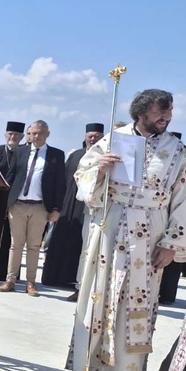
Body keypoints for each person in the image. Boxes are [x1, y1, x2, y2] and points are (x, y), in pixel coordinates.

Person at [67, 90, 186, 371]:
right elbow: (82, 175)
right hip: (111, 225)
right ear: (140, 113)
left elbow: (184, 199)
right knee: (100, 290)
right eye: (161, 112)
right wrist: (100, 170)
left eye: (169, 112)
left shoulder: (177, 150)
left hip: (151, 233)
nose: (166, 117)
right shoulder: (114, 138)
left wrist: (172, 244)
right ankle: (89, 364)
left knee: (138, 298)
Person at [0, 119, 65, 296]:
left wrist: (56, 209)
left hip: (40, 207)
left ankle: (30, 282)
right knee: (15, 244)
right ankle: (11, 280)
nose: (36, 136)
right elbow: (10, 177)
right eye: (33, 133)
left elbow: (60, 184)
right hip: (18, 205)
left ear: (47, 134)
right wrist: (6, 203)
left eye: (40, 133)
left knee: (34, 246)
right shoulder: (20, 152)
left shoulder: (56, 155)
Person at [41, 122, 104, 292]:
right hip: (69, 205)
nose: (93, 138)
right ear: (85, 137)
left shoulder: (104, 157)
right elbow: (63, 180)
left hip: (89, 207)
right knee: (62, 240)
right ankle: (56, 277)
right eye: (90, 135)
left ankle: (76, 281)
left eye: (97, 136)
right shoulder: (76, 155)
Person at [0, 121, 24, 282]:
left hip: (14, 201)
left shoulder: (24, 153)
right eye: (10, 134)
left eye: (16, 135)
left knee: (12, 239)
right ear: (5, 135)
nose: (13, 137)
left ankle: (6, 273)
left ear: (21, 137)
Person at [159, 131, 185, 303]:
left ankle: (168, 294)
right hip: (159, 215)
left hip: (177, 217)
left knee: (172, 262)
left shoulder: (183, 161)